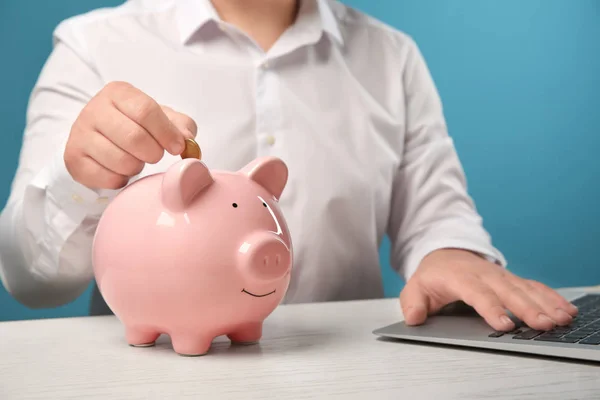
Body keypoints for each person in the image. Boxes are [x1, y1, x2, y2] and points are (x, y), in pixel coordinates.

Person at [0, 0, 577, 332]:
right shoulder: (93, 45)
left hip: (346, 372)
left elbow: (435, 211)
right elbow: (30, 281)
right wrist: (79, 177)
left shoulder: (390, 55)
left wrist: (449, 251)